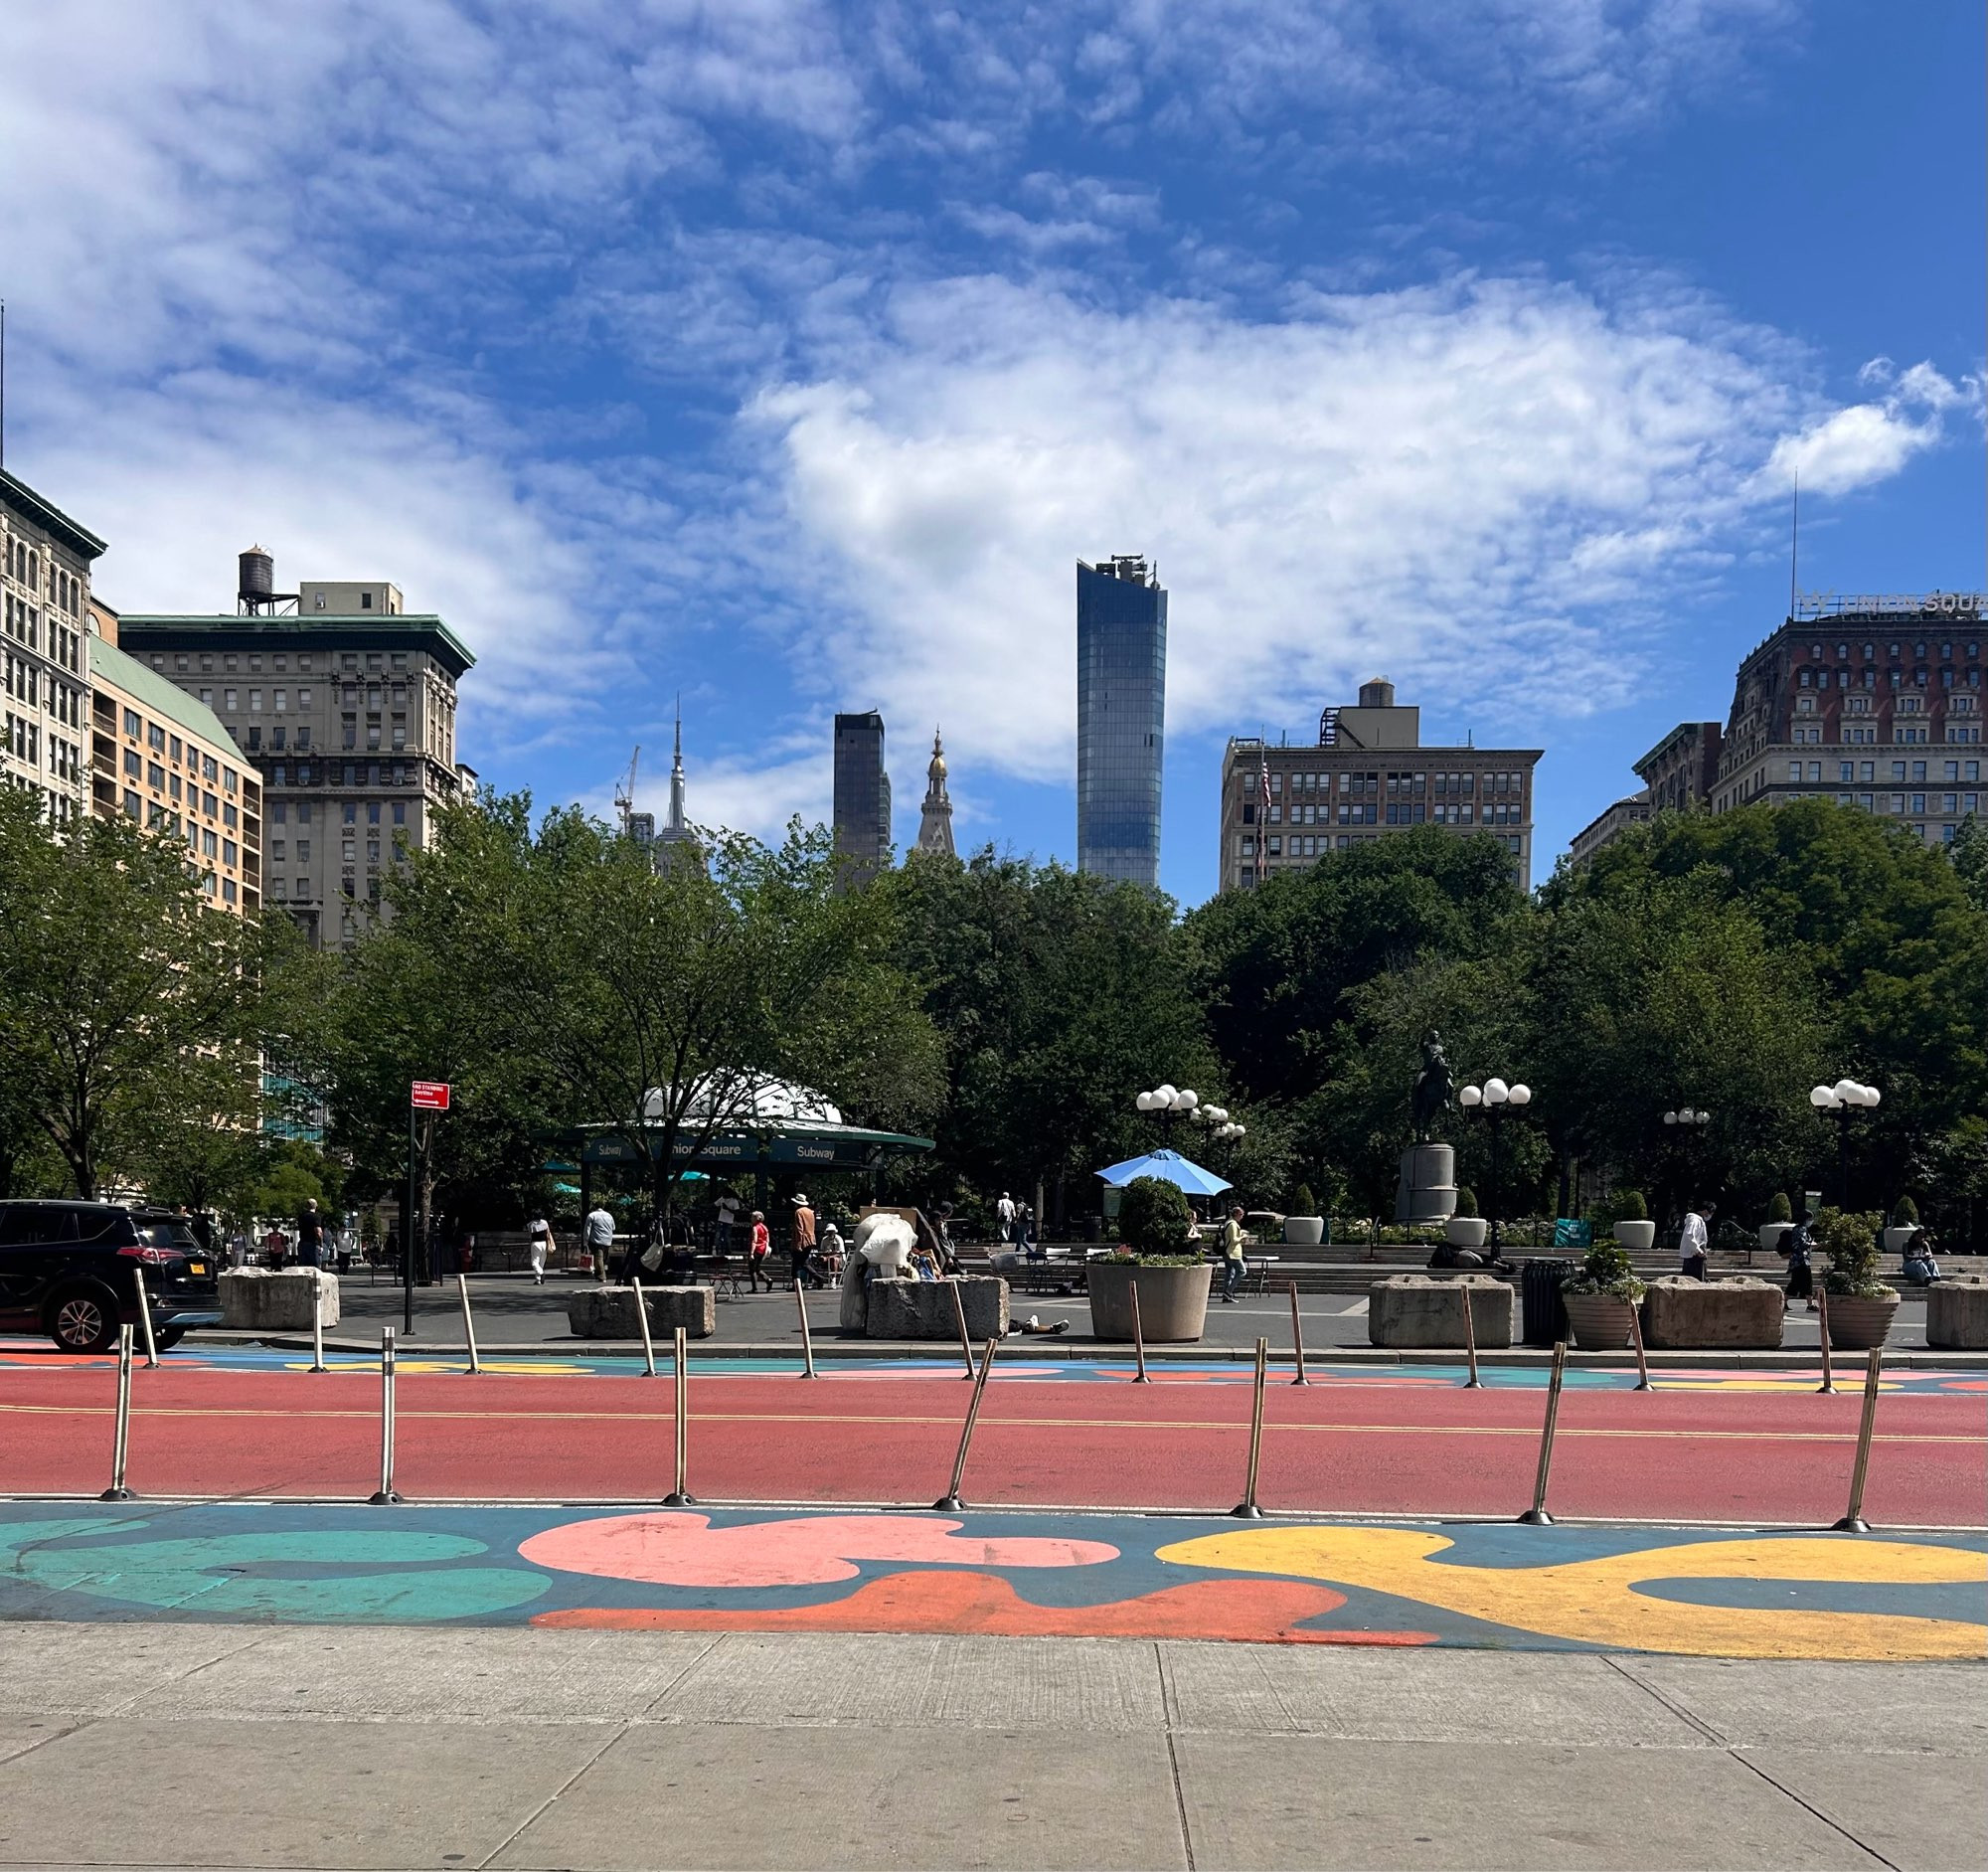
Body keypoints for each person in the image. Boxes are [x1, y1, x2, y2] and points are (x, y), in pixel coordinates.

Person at [1782, 1217, 1815, 1309]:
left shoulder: (1796, 1228)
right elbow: (1802, 1243)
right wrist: (1813, 1244)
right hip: (1802, 1260)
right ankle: (1810, 1305)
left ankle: (1783, 1302)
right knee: (1807, 1282)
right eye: (1810, 1219)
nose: (1811, 1221)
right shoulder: (1802, 1229)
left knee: (1795, 1283)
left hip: (1796, 1261)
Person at [1219, 1204, 1247, 1302]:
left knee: (1229, 1274)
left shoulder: (1228, 1223)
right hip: (1233, 1253)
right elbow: (1234, 1240)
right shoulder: (1233, 1224)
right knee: (1242, 1272)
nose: (1242, 1216)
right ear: (1236, 1214)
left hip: (1228, 1252)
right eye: (1241, 1214)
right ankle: (1228, 1292)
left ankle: (1226, 1296)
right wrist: (1242, 1237)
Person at [790, 1193, 817, 1291]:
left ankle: (797, 1285)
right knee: (804, 1263)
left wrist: (798, 1244)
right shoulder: (810, 1212)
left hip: (802, 1241)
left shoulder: (798, 1212)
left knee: (796, 1265)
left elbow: (799, 1229)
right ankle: (818, 1278)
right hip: (810, 1240)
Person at [583, 1202, 615, 1281]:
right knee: (603, 1258)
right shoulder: (609, 1216)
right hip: (608, 1240)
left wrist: (586, 1241)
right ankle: (599, 1275)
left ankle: (602, 1277)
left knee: (598, 1258)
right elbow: (613, 1227)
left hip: (597, 1240)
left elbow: (587, 1229)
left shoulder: (592, 1215)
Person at [1679, 1203, 1709, 1281]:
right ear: (1705, 1211)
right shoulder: (1695, 1220)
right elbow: (1690, 1234)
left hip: (1695, 1253)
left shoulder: (1697, 1220)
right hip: (1694, 1254)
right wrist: (1698, 1250)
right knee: (1693, 1279)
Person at [746, 1210, 771, 1292]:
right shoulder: (765, 1227)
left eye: (752, 1217)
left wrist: (751, 1253)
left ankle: (754, 1288)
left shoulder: (755, 1228)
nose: (751, 1219)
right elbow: (767, 1239)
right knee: (757, 1268)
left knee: (752, 1269)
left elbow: (754, 1240)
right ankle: (768, 1279)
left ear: (756, 1218)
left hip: (756, 1249)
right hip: (763, 1249)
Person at [526, 1212, 555, 1285]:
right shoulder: (545, 1222)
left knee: (534, 1262)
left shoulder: (530, 1224)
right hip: (544, 1243)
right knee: (541, 1262)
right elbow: (548, 1233)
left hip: (535, 1243)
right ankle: (538, 1280)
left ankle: (540, 1273)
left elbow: (529, 1234)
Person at [295, 1198, 325, 1270]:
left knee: (303, 1268)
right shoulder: (316, 1217)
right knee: (315, 1269)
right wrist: (321, 1244)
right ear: (316, 1206)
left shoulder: (301, 1216)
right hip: (313, 1244)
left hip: (302, 1243)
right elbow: (318, 1232)